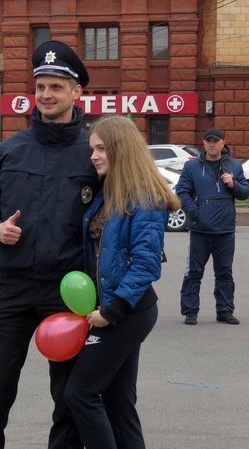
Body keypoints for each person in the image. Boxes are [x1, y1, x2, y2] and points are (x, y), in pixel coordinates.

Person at [0, 40, 98, 449]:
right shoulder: (10, 151)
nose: (46, 95)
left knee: (70, 396)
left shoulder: (94, 152)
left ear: (76, 93)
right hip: (14, 289)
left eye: (56, 87)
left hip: (71, 291)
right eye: (40, 87)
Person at [64, 115, 179, 449]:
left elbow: (145, 266)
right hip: (115, 307)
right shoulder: (109, 192)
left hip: (127, 311)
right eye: (92, 149)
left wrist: (111, 312)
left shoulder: (144, 199)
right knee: (118, 402)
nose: (94, 156)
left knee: (80, 392)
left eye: (101, 148)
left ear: (121, 149)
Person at [176, 127, 248, 325]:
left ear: (223, 143)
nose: (212, 144)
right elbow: (182, 192)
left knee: (224, 272)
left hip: (225, 231)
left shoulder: (233, 166)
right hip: (200, 230)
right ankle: (190, 311)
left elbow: (245, 193)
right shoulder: (192, 167)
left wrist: (233, 184)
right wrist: (195, 213)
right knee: (194, 272)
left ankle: (224, 310)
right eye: (209, 140)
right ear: (204, 143)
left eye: (216, 140)